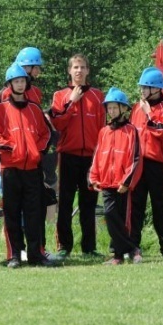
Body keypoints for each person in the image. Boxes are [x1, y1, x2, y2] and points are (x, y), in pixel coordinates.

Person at [0, 63, 57, 268]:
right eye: (16, 81)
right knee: (12, 213)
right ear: (9, 84)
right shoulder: (0, 109)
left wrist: (36, 150)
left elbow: (46, 134)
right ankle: (14, 255)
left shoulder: (34, 109)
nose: (19, 84)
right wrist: (10, 148)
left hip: (32, 169)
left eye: (22, 81)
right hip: (10, 169)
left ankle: (36, 255)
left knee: (34, 213)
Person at [48, 53, 105, 258]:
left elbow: (103, 130)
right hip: (68, 156)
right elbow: (57, 124)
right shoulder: (60, 95)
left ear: (88, 70)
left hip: (91, 157)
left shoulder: (98, 96)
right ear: (69, 71)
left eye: (82, 67)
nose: (79, 71)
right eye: (75, 67)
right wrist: (71, 102)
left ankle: (89, 248)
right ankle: (64, 246)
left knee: (88, 204)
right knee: (65, 202)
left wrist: (100, 157)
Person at [129, 66, 163, 260]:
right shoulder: (137, 108)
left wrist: (149, 113)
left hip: (156, 163)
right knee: (135, 206)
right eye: (141, 87)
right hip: (137, 163)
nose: (142, 91)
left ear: (156, 88)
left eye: (145, 87)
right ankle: (133, 247)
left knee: (160, 206)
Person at [89, 88, 143, 265]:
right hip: (106, 183)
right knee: (110, 215)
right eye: (109, 108)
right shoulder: (104, 131)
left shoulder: (131, 131)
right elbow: (97, 156)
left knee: (121, 219)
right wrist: (93, 178)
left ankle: (118, 256)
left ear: (124, 109)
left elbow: (135, 158)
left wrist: (127, 182)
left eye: (114, 107)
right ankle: (133, 249)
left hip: (122, 185)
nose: (111, 111)